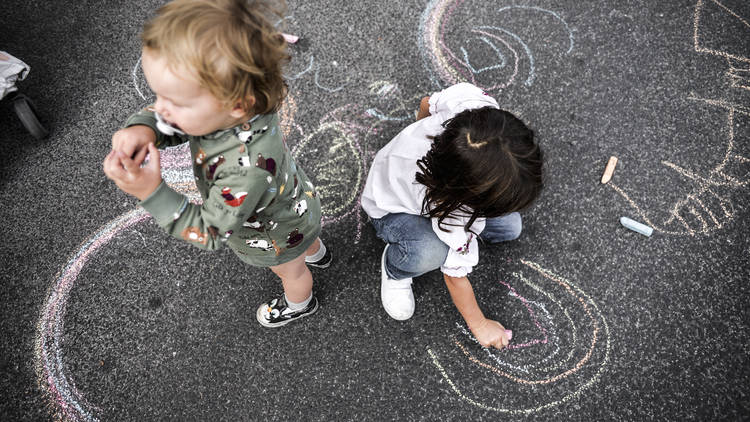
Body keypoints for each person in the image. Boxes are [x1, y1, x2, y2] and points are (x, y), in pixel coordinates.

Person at [103, 0, 331, 328]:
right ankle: (317, 251)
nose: (161, 109)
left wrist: (152, 192)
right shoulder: (245, 101)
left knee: (291, 272)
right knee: (305, 242)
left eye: (175, 102)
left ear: (236, 105)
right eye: (158, 96)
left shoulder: (245, 170)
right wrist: (144, 127)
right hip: (295, 202)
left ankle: (300, 302)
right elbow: (172, 123)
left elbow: (210, 231)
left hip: (273, 235)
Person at [361, 82, 544, 350]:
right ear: (469, 197)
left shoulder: (474, 109)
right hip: (390, 207)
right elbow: (454, 277)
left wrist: (417, 130)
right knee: (430, 251)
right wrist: (480, 325)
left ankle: (485, 213)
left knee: (510, 227)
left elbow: (426, 103)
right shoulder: (452, 213)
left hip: (416, 179)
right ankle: (396, 269)